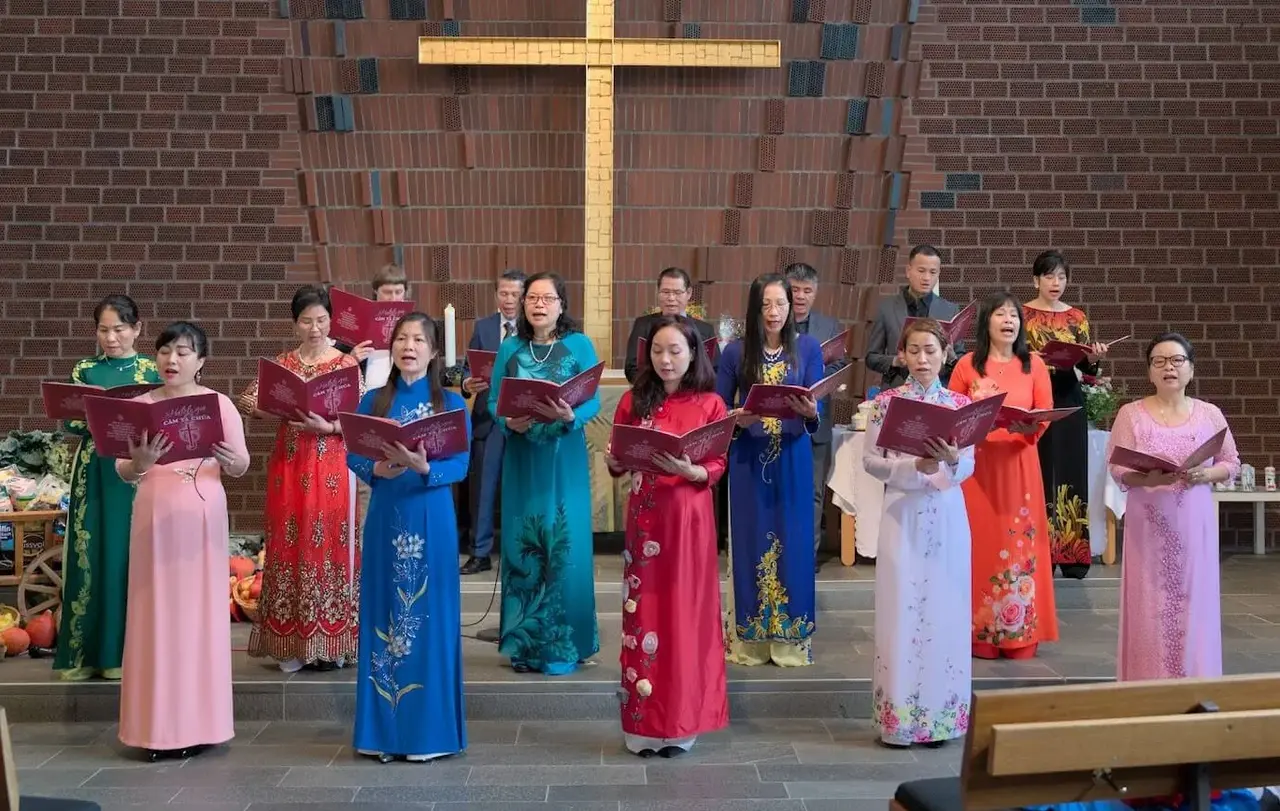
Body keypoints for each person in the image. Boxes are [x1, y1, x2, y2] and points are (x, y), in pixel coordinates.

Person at [115, 321, 250, 761]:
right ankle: (155, 729)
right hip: (155, 513)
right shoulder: (140, 405)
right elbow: (123, 470)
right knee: (155, 615)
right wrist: (139, 462)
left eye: (184, 352)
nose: (172, 360)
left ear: (201, 360)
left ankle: (203, 725)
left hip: (202, 515)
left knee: (200, 617)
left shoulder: (220, 404)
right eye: (166, 351)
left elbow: (242, 464)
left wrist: (233, 461)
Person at [347, 312, 471, 763]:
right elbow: (354, 454)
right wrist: (374, 469)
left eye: (419, 339)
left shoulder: (451, 404)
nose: (409, 346)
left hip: (431, 515)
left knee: (429, 616)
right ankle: (383, 734)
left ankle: (427, 735)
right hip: (387, 515)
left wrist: (426, 469)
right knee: (386, 611)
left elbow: (460, 465)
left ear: (434, 351)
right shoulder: (374, 399)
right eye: (401, 339)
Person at [605, 315, 729, 758]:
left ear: (693, 353)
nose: (666, 359)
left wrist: (695, 470)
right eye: (658, 350)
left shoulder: (711, 404)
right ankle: (642, 725)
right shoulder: (633, 400)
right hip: (646, 518)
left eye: (676, 350)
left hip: (689, 519)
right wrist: (616, 459)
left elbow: (717, 465)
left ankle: (679, 724)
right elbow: (619, 463)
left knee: (683, 615)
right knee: (645, 612)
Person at [236, 284, 361, 673]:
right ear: (295, 324)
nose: (315, 328)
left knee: (330, 543)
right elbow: (247, 400)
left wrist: (329, 425)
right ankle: (293, 642)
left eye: (322, 320)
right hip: (290, 464)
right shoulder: (283, 364)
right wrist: (274, 410)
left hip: (332, 466)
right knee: (291, 542)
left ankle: (332, 642)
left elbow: (360, 420)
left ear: (331, 321)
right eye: (306, 321)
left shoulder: (345, 365)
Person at [863, 319, 973, 748]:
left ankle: (942, 717)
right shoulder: (885, 403)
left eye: (930, 350)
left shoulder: (960, 404)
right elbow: (871, 461)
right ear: (903, 355)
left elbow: (970, 465)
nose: (923, 358)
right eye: (914, 350)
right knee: (900, 609)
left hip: (947, 513)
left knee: (946, 608)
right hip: (902, 512)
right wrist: (913, 468)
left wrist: (951, 460)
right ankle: (899, 719)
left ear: (945, 353)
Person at [1107, 334, 1239, 681]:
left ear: (1191, 369)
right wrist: (1146, 479)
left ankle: (1195, 681)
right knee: (1149, 605)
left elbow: (1231, 462)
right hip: (1148, 527)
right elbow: (1117, 468)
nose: (1169, 367)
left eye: (1177, 360)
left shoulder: (1210, 414)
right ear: (1149, 372)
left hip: (1194, 523)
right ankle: (1146, 683)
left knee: (1194, 602)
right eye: (1160, 361)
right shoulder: (1130, 414)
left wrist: (1207, 472)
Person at [487, 271, 601, 675]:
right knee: (524, 543)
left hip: (563, 456)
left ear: (561, 305)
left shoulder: (578, 344)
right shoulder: (511, 347)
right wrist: (506, 423)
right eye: (532, 298)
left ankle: (565, 646)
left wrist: (571, 415)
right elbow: (493, 401)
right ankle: (525, 644)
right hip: (523, 457)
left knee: (564, 546)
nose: (538, 304)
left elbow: (593, 401)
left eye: (547, 298)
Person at [716, 273, 823, 667]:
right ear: (755, 308)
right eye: (766, 304)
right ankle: (751, 641)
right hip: (748, 459)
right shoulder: (735, 354)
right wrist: (735, 418)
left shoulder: (808, 348)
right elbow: (716, 407)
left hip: (793, 457)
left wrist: (812, 409)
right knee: (749, 541)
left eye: (781, 303)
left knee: (793, 541)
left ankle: (790, 641)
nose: (775, 312)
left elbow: (815, 401)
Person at [55, 294, 162, 682]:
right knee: (92, 551)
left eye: (119, 329)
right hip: (94, 470)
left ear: (137, 328)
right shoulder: (84, 369)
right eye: (103, 330)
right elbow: (69, 422)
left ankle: (127, 654)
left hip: (139, 473)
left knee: (129, 553)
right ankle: (84, 655)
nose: (111, 337)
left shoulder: (153, 370)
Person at [948, 293, 1059, 660]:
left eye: (1014, 315)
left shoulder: (1034, 365)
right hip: (977, 468)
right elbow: (952, 414)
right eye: (1000, 314)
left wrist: (1028, 425)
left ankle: (1019, 635)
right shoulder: (967, 365)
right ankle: (980, 632)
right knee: (979, 544)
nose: (1009, 319)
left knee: (1019, 547)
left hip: (1019, 466)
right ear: (987, 323)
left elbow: (1045, 413)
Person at [1023, 250, 1109, 579]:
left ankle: (1073, 555)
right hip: (1037, 399)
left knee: (1073, 471)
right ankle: (1040, 551)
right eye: (1049, 276)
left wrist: (1094, 359)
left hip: (1069, 396)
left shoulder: (1077, 317)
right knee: (1040, 472)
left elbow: (1086, 369)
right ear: (1036, 280)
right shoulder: (1023, 314)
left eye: (1061, 277)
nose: (1056, 283)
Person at [459, 268, 525, 575]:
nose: (509, 300)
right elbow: (465, 368)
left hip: (523, 418)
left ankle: (523, 550)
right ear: (495, 294)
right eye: (504, 293)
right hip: (489, 417)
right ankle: (480, 552)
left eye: (515, 294)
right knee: (483, 488)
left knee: (524, 485)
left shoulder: (533, 327)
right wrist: (466, 383)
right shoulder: (484, 327)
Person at [784, 262, 848, 567]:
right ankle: (777, 557)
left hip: (816, 421)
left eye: (807, 290)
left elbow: (839, 366)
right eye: (794, 289)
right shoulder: (770, 323)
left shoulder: (829, 326)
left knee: (812, 495)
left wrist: (814, 371)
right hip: (778, 423)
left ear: (815, 293)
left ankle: (805, 560)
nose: (800, 296)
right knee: (780, 491)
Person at [866, 245, 964, 390]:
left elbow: (960, 360)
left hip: (937, 391)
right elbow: (871, 357)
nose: (926, 278)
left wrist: (951, 357)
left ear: (938, 274)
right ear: (908, 271)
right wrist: (895, 361)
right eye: (921, 271)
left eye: (933, 272)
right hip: (897, 387)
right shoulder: (886, 308)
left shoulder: (949, 310)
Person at [623, 267, 718, 384]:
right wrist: (663, 386)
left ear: (688, 293)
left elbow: (714, 369)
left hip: (692, 396)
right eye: (666, 292)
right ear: (658, 292)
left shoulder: (705, 330)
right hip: (652, 396)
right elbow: (631, 368)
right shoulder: (642, 325)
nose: (671, 298)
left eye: (677, 293)